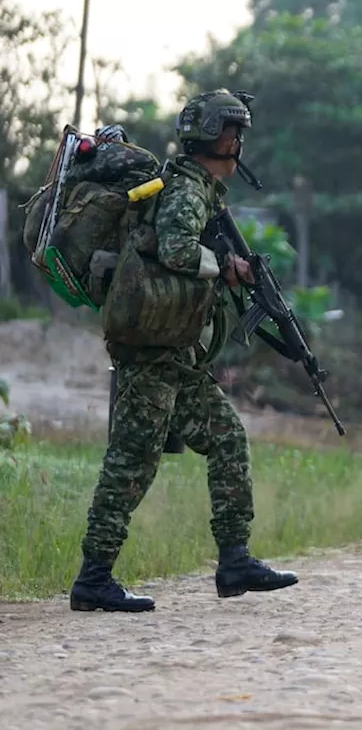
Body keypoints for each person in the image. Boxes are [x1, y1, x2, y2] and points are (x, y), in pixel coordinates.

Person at [70, 89, 298, 612]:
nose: (238, 142)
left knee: (227, 439)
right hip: (153, 354)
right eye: (232, 132)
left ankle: (235, 560)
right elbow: (174, 249)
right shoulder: (188, 191)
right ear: (217, 137)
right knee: (132, 461)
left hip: (176, 355)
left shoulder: (201, 190)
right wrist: (229, 267)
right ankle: (93, 578)